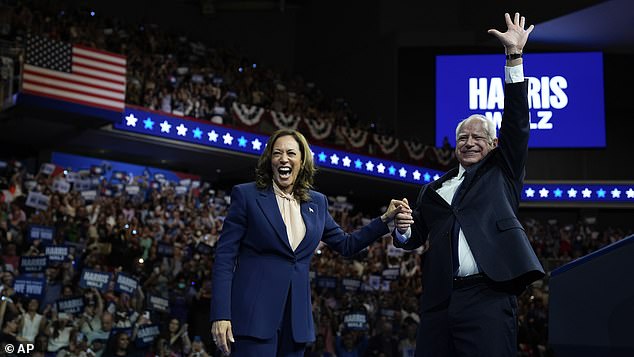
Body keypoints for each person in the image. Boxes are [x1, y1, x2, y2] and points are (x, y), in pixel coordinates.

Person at [392, 13, 545, 356]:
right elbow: (413, 238)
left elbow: (518, 123)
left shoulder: (501, 171)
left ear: (493, 145)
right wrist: (402, 229)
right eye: (463, 137)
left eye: (479, 137)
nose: (470, 141)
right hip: (438, 302)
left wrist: (514, 58)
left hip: (488, 296)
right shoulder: (432, 191)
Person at [210, 129, 408, 356]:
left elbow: (347, 244)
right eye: (277, 153)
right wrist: (221, 314)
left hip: (295, 324)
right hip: (254, 319)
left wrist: (384, 220)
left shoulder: (317, 203)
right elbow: (224, 259)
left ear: (302, 160)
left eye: (291, 153)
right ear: (269, 160)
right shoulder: (246, 196)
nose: (284, 159)